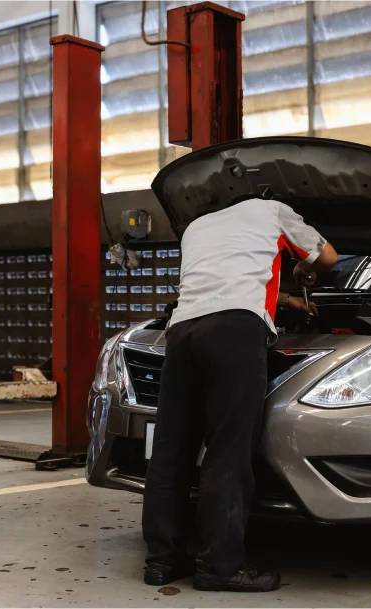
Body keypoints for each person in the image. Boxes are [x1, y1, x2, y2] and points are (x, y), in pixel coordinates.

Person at [142, 197, 338, 593]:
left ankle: (163, 560)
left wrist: (284, 299)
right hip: (235, 332)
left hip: (181, 334)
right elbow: (329, 258)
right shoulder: (273, 210)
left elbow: (223, 278)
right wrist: (301, 266)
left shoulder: (197, 225)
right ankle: (221, 564)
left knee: (171, 450)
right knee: (228, 450)